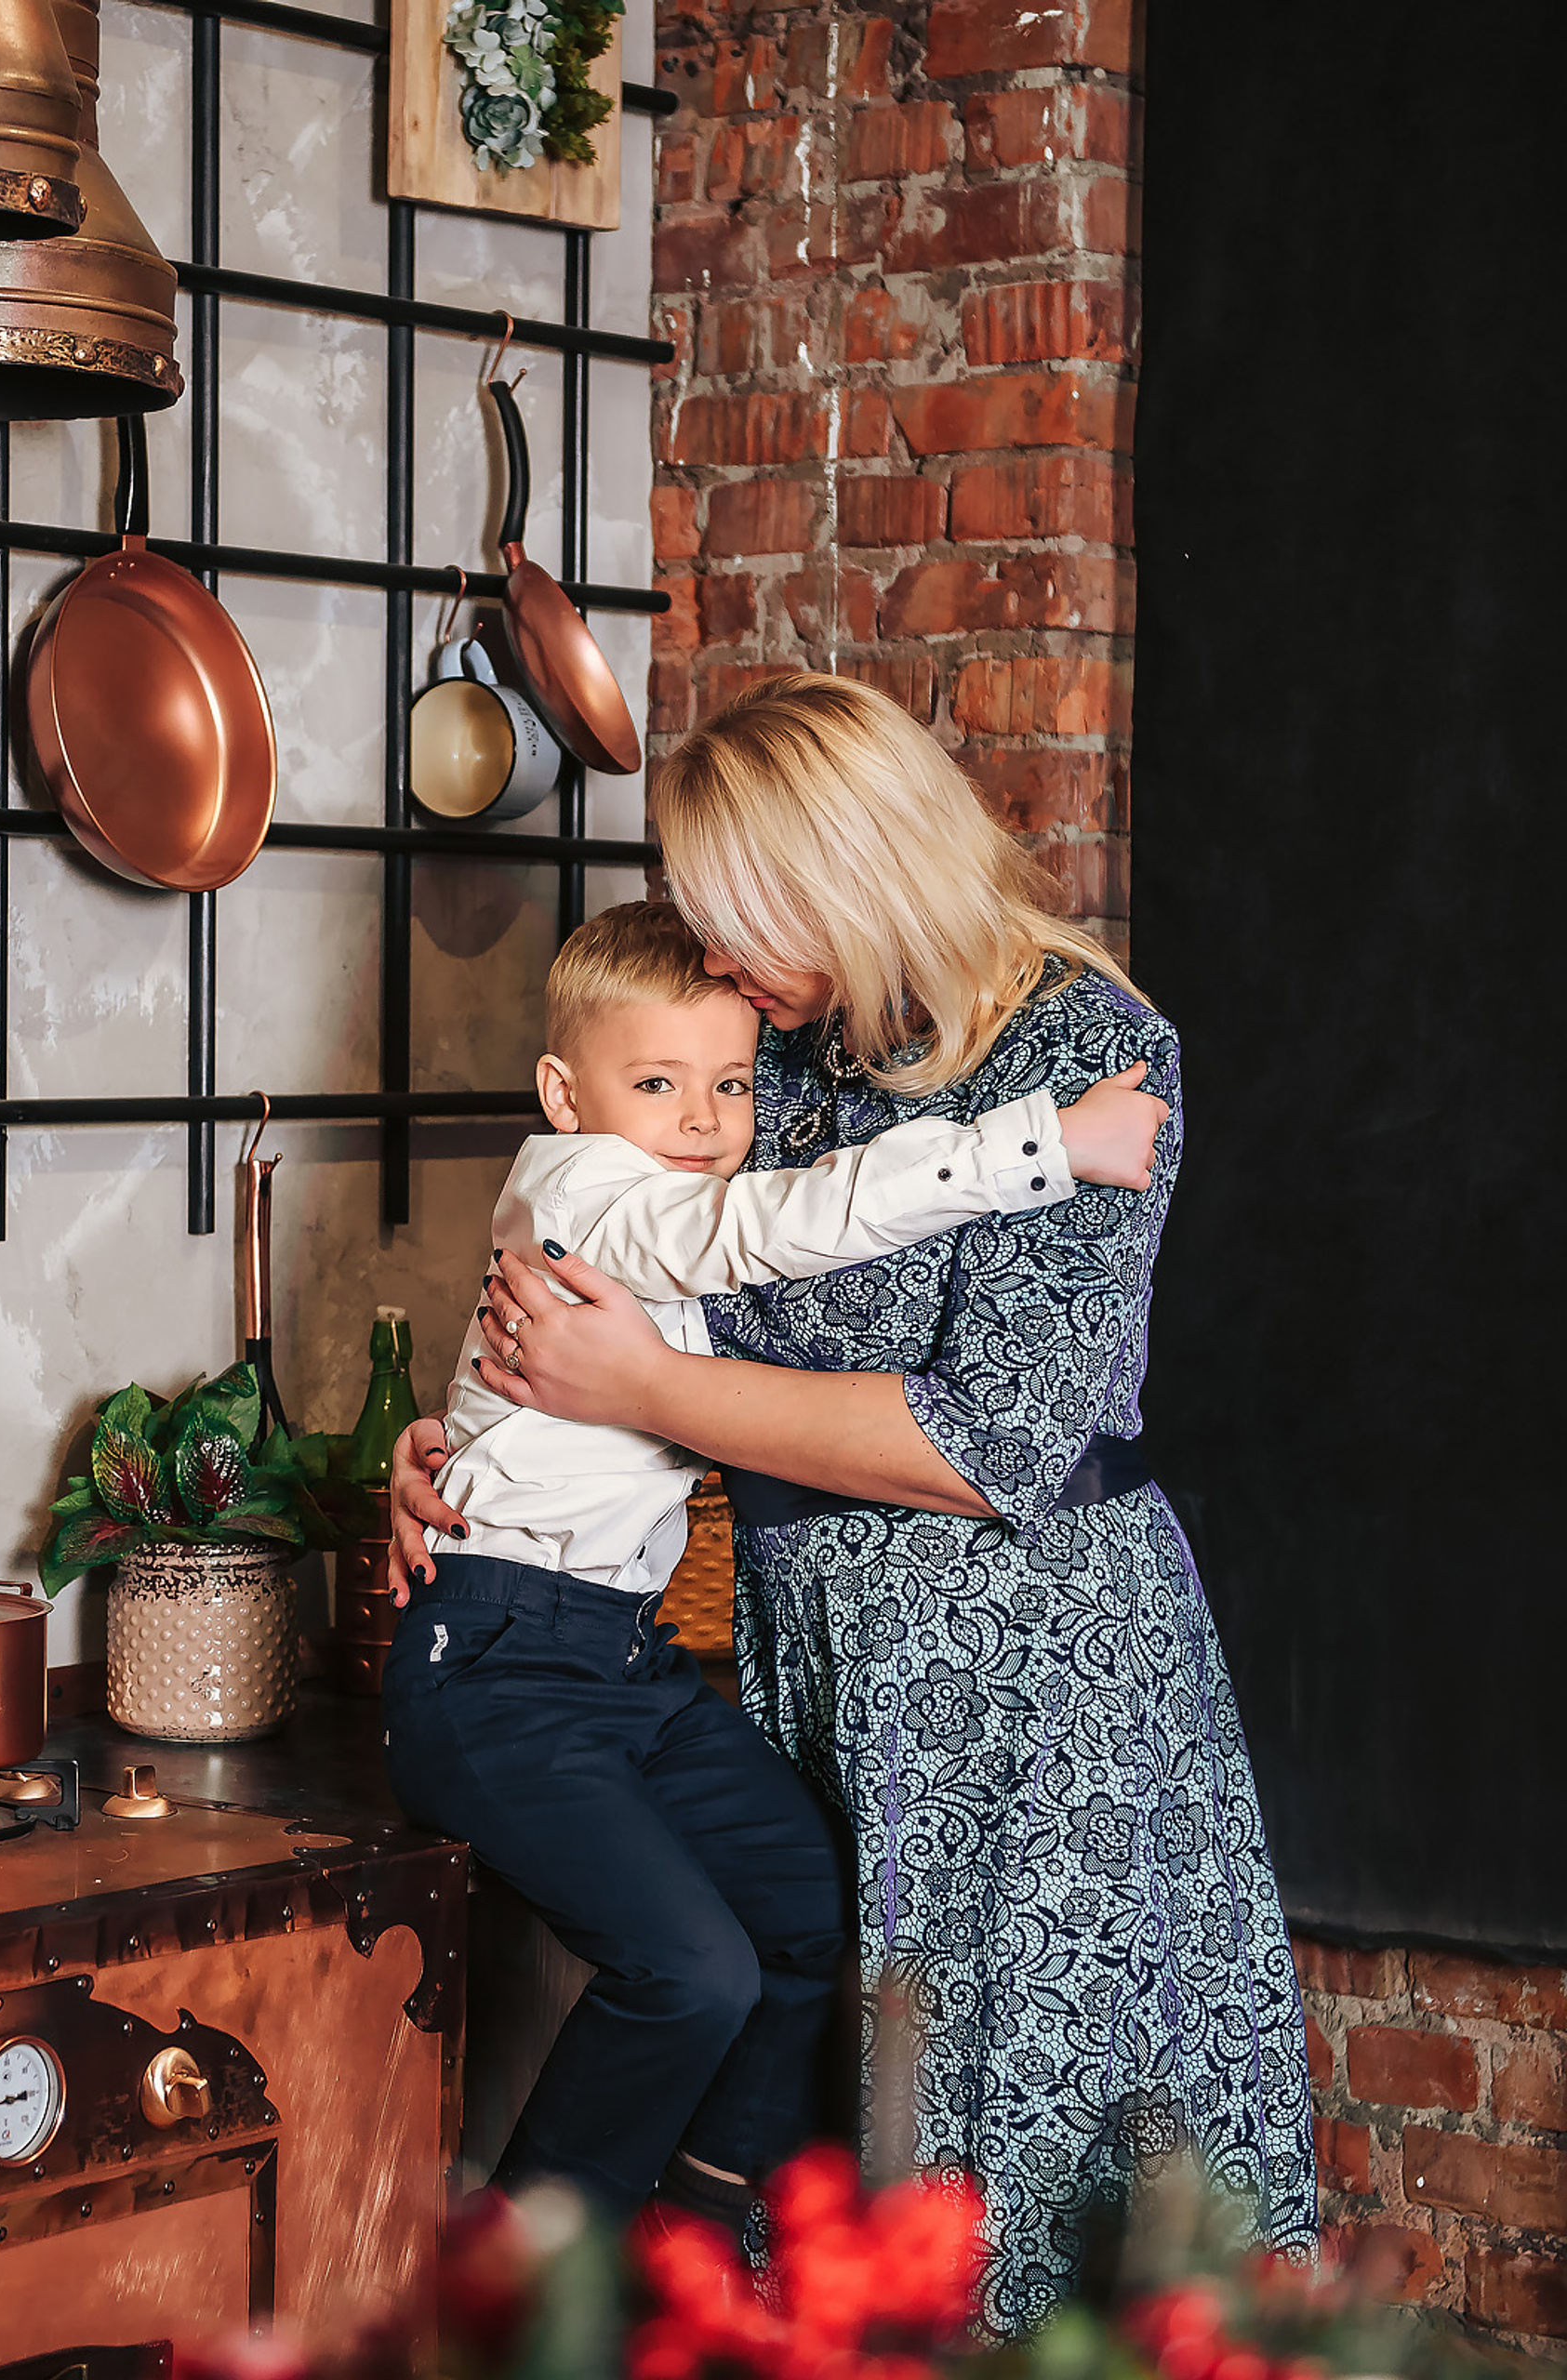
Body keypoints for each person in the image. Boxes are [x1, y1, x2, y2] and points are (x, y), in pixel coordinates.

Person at [392, 674, 1317, 2327]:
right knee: (841, 2136)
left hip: (1034, 1678)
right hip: (815, 1662)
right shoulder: (777, 1054)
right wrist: (472, 1455)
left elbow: (997, 1443)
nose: (715, 960)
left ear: (844, 876)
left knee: (1029, 2156)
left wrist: (637, 1393)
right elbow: (631, 1268)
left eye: (738, 918)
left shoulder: (1093, 1052)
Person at [383, 899, 1168, 2246]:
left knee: (814, 1913)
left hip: (624, 1663)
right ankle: (514, 2292)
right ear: (565, 1096)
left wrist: (458, 1441)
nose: (701, 1119)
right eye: (657, 1084)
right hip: (503, 1664)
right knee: (691, 1972)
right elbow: (775, 1230)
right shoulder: (586, 1188)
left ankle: (702, 2237)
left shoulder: (668, 1172)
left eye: (731, 1083)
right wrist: (1050, 1143)